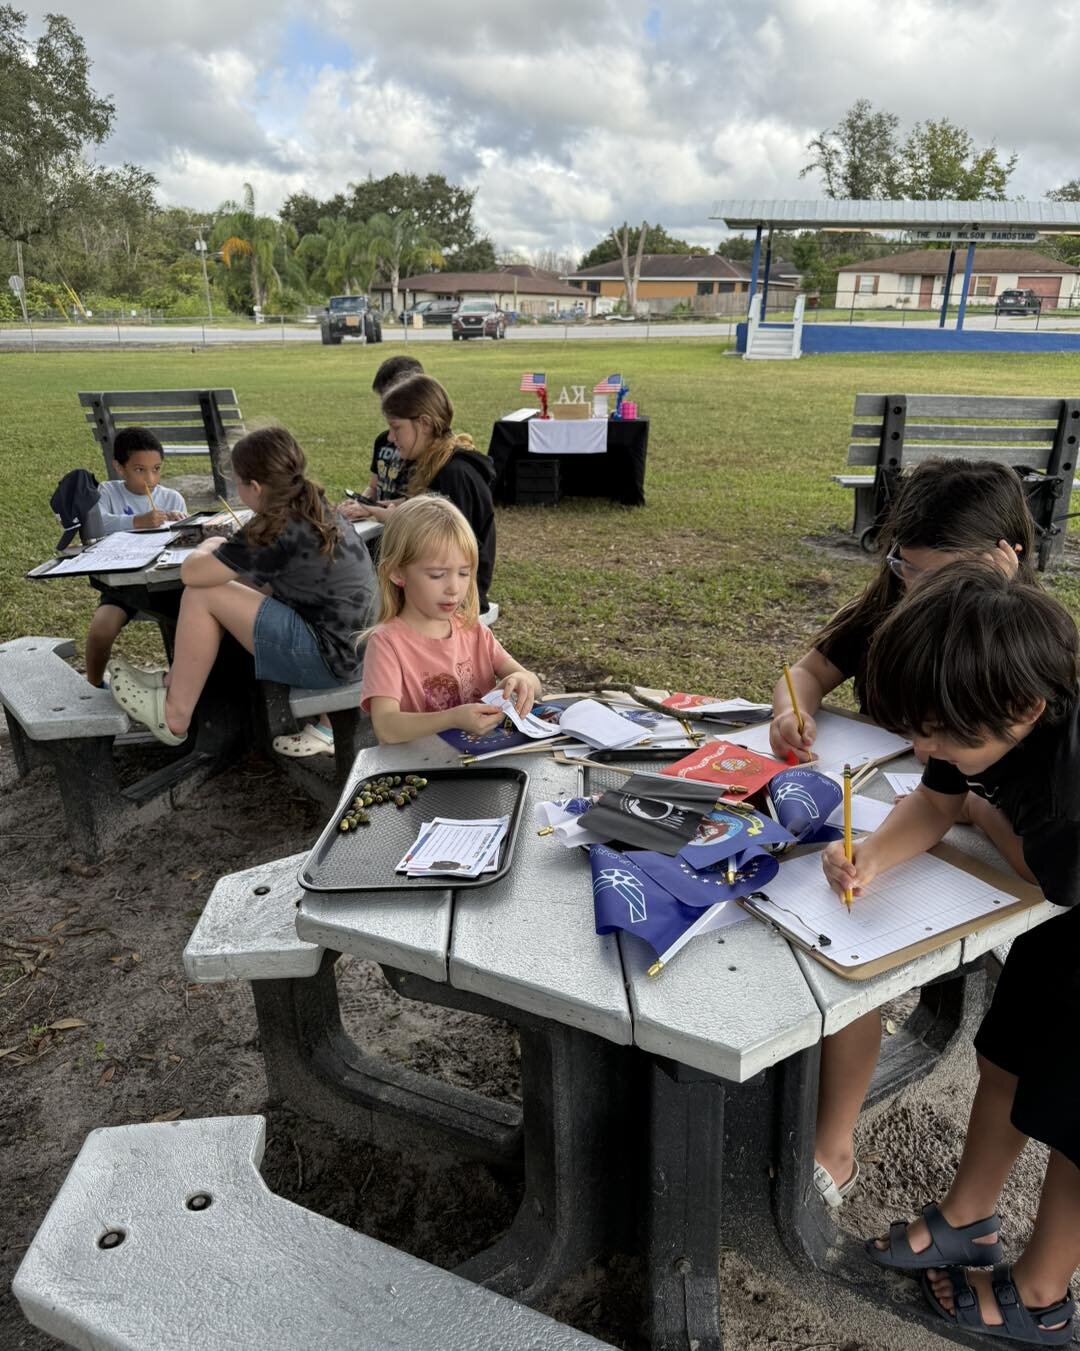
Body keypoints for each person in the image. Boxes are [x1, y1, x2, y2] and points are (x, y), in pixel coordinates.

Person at [765, 459, 1036, 1213]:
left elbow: (1045, 857)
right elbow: (811, 671)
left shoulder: (1020, 657)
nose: (908, 587)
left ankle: (833, 1143)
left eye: (928, 575)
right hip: (913, 817)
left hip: (993, 858)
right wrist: (793, 707)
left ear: (1001, 562)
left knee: (858, 963)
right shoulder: (901, 602)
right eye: (901, 568)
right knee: (819, 923)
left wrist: (966, 805)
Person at [822, 564, 1078, 1345]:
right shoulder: (971, 703)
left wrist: (978, 805)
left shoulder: (1067, 781)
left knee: (1075, 1126)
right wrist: (870, 857)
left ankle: (1042, 1296)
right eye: (915, 729)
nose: (921, 745)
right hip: (1062, 921)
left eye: (937, 736)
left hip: (1067, 887)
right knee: (1004, 1057)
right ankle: (971, 1215)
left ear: (1026, 709)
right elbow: (934, 800)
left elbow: (1045, 868)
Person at [107, 426, 376, 748]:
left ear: (256, 487)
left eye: (237, 483)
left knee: (202, 594)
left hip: (332, 659)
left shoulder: (274, 526)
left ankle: (174, 712)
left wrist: (214, 544)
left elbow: (193, 573)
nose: (237, 491)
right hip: (359, 651)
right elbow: (264, 583)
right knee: (228, 590)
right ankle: (172, 682)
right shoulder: (313, 504)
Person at [359, 495, 539, 745]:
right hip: (422, 771)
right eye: (437, 575)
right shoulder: (387, 643)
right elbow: (386, 726)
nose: (454, 588)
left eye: (464, 573)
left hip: (484, 762)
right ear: (397, 573)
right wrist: (452, 718)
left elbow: (534, 681)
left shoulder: (473, 629)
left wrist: (522, 681)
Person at [352, 374, 497, 613]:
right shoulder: (438, 465)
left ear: (425, 423)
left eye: (396, 427)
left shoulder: (455, 474)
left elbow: (447, 550)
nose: (390, 438)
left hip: (455, 599)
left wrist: (389, 515)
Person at [85, 428, 187, 688]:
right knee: (101, 629)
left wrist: (180, 525)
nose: (150, 478)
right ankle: (93, 684)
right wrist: (137, 521)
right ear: (119, 468)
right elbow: (97, 523)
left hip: (167, 585)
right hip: (123, 586)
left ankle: (182, 686)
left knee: (186, 627)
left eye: (156, 468)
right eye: (140, 470)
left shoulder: (171, 498)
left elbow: (184, 545)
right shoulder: (107, 492)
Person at [340, 355, 424, 516]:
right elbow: (373, 487)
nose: (385, 406)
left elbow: (417, 502)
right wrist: (359, 503)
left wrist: (369, 508)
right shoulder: (383, 441)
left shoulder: (422, 448)